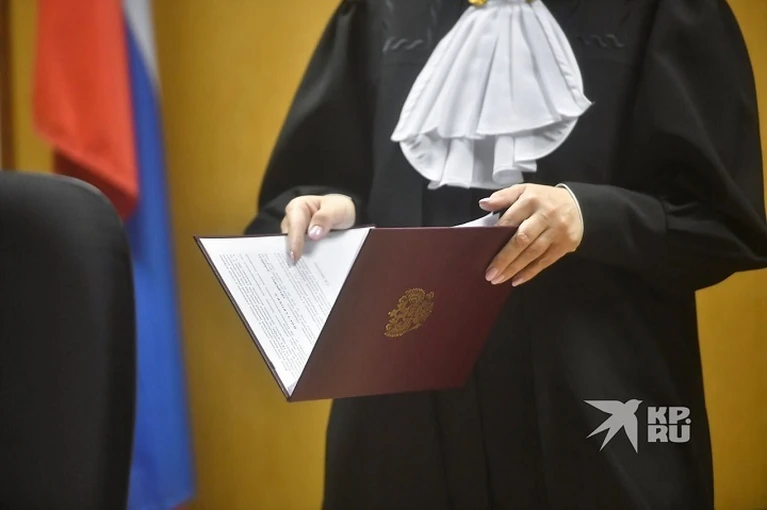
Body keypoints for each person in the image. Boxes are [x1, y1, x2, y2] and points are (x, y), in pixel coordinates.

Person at [246, 0, 767, 508]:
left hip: (594, 408)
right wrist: (337, 210)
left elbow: (722, 221)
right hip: (400, 417)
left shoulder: (666, 9)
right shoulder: (378, 9)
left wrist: (589, 215)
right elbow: (322, 182)